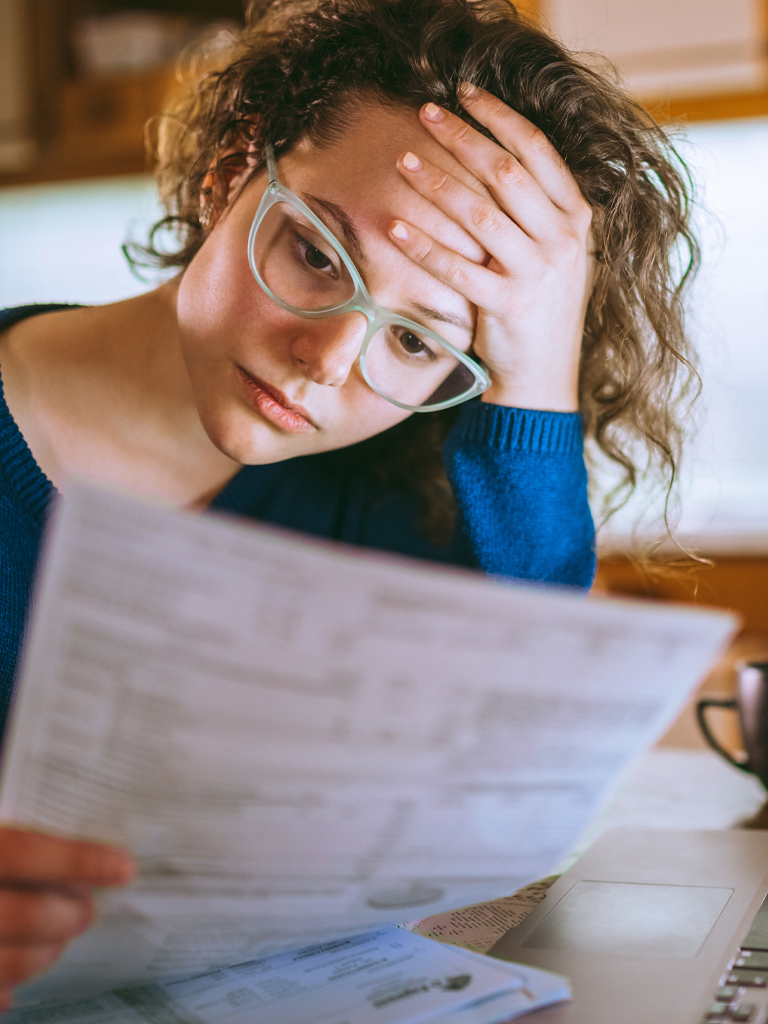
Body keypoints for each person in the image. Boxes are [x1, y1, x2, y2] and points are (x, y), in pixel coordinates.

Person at [0, 0, 698, 1005]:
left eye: (417, 341)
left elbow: (517, 758)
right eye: (317, 254)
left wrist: (538, 370)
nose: (328, 362)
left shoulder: (383, 511)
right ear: (231, 170)